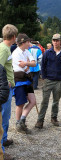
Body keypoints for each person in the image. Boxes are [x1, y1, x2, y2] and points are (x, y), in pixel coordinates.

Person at [35, 33, 61, 129]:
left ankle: (54, 117)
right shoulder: (47, 52)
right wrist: (44, 77)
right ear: (52, 41)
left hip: (59, 81)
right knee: (44, 101)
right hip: (48, 80)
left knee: (56, 101)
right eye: (54, 40)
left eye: (57, 40)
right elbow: (43, 65)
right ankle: (40, 120)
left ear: (60, 41)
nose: (55, 42)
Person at [12, 33, 36, 133]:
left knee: (33, 101)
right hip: (19, 80)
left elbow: (34, 63)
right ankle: (18, 124)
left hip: (27, 79)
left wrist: (26, 63)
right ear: (24, 42)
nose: (29, 43)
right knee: (20, 103)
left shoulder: (26, 51)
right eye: (28, 41)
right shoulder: (16, 53)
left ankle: (22, 120)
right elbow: (23, 67)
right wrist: (27, 64)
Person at [0, 24, 18, 160]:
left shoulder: (5, 48)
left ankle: (3, 140)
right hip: (5, 89)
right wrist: (6, 83)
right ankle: (1, 151)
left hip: (7, 88)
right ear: (13, 37)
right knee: (4, 119)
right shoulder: (4, 49)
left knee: (5, 118)